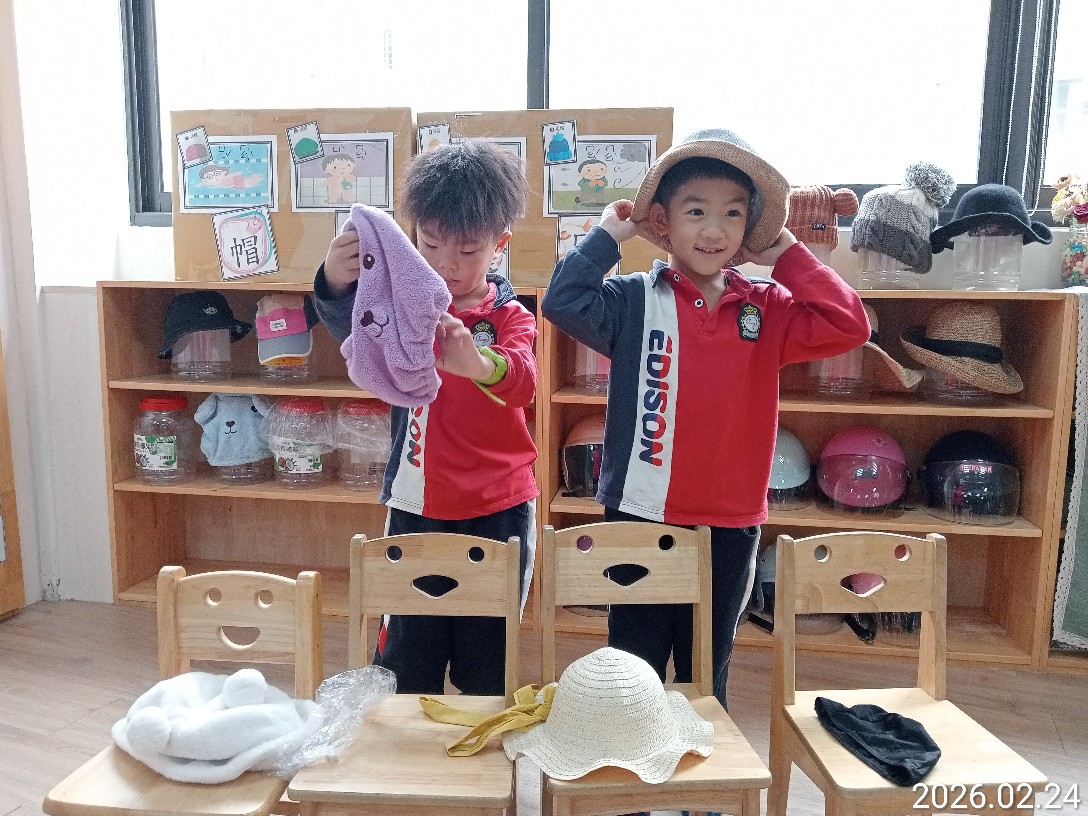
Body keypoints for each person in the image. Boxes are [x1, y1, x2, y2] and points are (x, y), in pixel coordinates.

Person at [542, 129, 870, 708]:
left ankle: (701, 760)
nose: (714, 231)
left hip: (728, 521)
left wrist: (789, 257)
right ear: (663, 221)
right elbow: (562, 300)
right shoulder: (631, 301)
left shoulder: (765, 307)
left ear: (749, 227)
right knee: (633, 666)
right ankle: (635, 755)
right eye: (696, 212)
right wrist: (606, 237)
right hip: (640, 512)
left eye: (733, 214)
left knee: (705, 669)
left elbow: (850, 325)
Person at [314, 139, 536, 696]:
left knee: (488, 663)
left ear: (500, 245)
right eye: (431, 244)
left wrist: (477, 363)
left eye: (469, 249)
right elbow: (357, 334)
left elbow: (523, 381)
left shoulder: (509, 314)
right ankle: (406, 749)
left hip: (499, 509)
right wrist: (335, 280)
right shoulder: (400, 305)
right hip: (416, 503)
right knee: (407, 660)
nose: (446, 264)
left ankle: (482, 750)